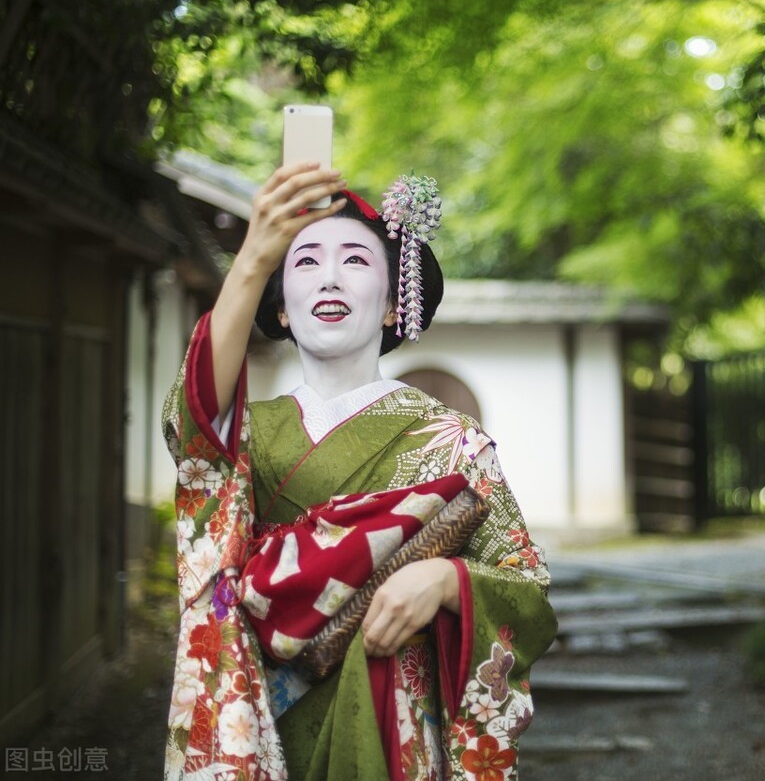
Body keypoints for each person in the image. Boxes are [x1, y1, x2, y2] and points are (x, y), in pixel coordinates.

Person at [161, 162, 558, 780]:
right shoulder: (240, 434)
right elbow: (195, 427)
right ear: (282, 309)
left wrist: (447, 581)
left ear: (395, 308)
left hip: (394, 726)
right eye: (304, 261)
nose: (329, 277)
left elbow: (527, 592)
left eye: (354, 260)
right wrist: (250, 260)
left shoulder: (453, 441)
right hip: (259, 717)